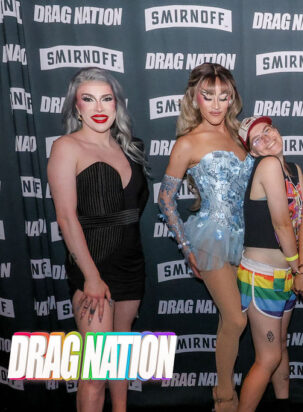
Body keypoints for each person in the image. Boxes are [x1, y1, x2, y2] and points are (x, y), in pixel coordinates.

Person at [47, 67, 149, 412]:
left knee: (119, 356)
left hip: (130, 265)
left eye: (106, 98)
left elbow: (134, 209)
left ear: (117, 104)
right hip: (93, 266)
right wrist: (91, 276)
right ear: (76, 107)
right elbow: (66, 217)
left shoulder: (131, 148)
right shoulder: (67, 147)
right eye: (88, 99)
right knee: (95, 374)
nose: (99, 107)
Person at [157, 63, 253, 412]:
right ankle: (224, 395)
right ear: (194, 98)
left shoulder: (241, 135)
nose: (215, 104)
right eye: (208, 95)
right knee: (237, 318)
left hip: (246, 238)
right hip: (211, 238)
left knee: (231, 319)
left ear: (232, 99)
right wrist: (186, 247)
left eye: (223, 96)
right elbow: (165, 199)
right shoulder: (188, 142)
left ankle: (225, 391)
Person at [235, 116, 303, 412]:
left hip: (287, 274)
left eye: (268, 130)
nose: (267, 138)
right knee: (268, 357)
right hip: (263, 276)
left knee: (280, 348)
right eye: (257, 139)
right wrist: (299, 271)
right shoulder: (267, 165)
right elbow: (282, 224)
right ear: (253, 152)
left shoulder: (294, 169)